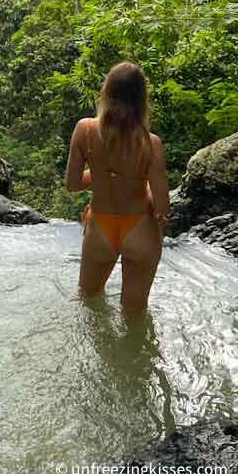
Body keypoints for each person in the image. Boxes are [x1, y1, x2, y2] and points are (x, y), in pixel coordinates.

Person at [64, 62, 169, 315]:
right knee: (135, 314)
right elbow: (162, 207)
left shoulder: (85, 130)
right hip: (140, 228)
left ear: (106, 92)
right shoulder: (150, 143)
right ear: (141, 99)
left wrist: (100, 175)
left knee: (88, 303)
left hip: (100, 226)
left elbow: (73, 184)